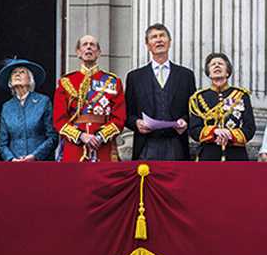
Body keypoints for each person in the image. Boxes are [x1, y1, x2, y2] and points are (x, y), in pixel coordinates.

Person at [125, 24, 196, 161]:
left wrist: (185, 121)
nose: (159, 40)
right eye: (154, 37)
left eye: (162, 36)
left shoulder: (186, 75)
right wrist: (136, 123)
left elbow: (193, 111)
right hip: (146, 144)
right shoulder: (135, 77)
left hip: (176, 143)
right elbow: (128, 113)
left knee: (178, 182)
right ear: (147, 44)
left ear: (169, 42)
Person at [53, 35, 127, 162]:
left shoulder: (113, 82)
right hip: (75, 148)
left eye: (92, 45)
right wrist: (81, 136)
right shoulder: (66, 82)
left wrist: (99, 137)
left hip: (103, 148)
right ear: (78, 52)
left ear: (98, 53)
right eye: (85, 44)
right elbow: (59, 120)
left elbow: (119, 118)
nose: (88, 47)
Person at [188, 52, 255, 161]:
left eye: (220, 63)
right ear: (209, 73)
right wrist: (214, 132)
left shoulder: (241, 95)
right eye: (213, 64)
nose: (217, 66)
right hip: (208, 156)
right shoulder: (199, 98)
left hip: (235, 156)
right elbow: (194, 130)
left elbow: (250, 128)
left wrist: (230, 134)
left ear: (228, 72)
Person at [0, 58, 56, 162]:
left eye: (22, 72)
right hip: (15, 165)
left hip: (40, 164)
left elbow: (52, 137)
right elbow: (2, 144)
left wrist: (35, 156)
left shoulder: (43, 101)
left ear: (30, 80)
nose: (17, 74)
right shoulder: (7, 107)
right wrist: (11, 159)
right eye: (14, 73)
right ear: (10, 82)